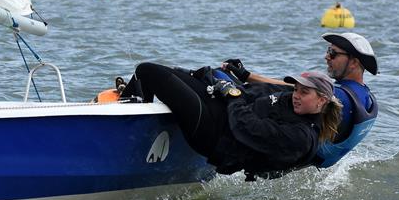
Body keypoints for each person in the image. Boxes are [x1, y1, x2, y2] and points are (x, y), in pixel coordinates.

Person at [122, 63, 341, 179]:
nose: (296, 95)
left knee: (147, 71)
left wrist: (233, 95)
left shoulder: (301, 137)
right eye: (297, 89)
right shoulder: (291, 98)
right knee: (165, 72)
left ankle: (124, 141)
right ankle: (129, 104)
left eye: (304, 93)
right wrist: (224, 84)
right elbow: (253, 92)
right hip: (221, 110)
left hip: (216, 137)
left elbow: (246, 127)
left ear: (321, 101)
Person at [221, 32, 378, 168]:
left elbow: (288, 88)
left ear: (355, 63)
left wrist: (246, 77)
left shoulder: (341, 97)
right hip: (316, 160)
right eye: (328, 51)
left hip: (295, 157)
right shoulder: (365, 95)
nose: (326, 57)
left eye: (333, 53)